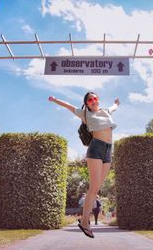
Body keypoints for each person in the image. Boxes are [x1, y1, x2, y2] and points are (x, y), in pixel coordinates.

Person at [48, 92, 119, 238]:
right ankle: (85, 223)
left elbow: (114, 108)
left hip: (108, 150)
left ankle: (84, 219)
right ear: (86, 103)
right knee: (93, 188)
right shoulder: (84, 114)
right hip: (96, 148)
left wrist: (117, 103)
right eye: (90, 100)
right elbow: (69, 106)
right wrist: (55, 100)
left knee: (97, 188)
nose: (93, 101)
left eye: (95, 99)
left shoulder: (105, 111)